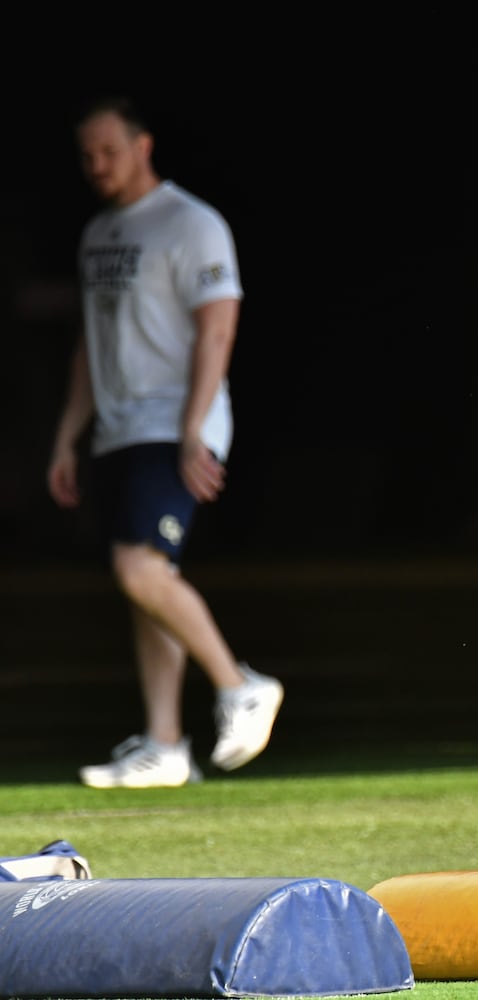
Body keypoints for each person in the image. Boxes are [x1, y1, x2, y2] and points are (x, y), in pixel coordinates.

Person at [46, 96, 283, 789]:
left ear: (143, 146)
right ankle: (165, 744)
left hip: (174, 422)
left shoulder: (190, 222)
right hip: (119, 427)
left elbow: (218, 326)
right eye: (86, 156)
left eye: (109, 152)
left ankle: (239, 684)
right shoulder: (97, 233)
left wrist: (192, 429)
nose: (97, 166)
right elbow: (92, 346)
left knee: (139, 570)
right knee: (147, 586)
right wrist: (67, 436)